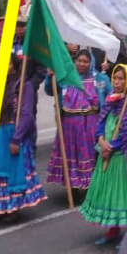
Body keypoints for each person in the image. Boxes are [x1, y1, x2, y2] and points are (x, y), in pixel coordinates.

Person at [80, 64, 127, 243]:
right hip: (107, 155)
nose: (117, 82)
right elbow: (101, 123)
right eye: (115, 78)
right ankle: (112, 230)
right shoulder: (111, 99)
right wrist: (101, 140)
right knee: (110, 195)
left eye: (121, 78)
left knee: (126, 195)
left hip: (124, 158)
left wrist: (111, 146)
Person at [0, 57, 46, 215]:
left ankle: (13, 208)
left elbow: (27, 115)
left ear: (14, 66)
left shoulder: (23, 87)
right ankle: (2, 206)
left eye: (8, 63)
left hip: (14, 135)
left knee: (13, 174)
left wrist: (16, 139)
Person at [45, 49, 100, 190]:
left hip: (89, 126)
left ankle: (90, 187)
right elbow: (50, 91)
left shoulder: (98, 79)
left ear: (91, 62)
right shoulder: (65, 78)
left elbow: (105, 102)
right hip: (68, 126)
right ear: (74, 62)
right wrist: (49, 76)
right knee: (72, 157)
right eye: (79, 61)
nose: (82, 64)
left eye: (85, 61)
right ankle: (74, 186)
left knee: (88, 156)